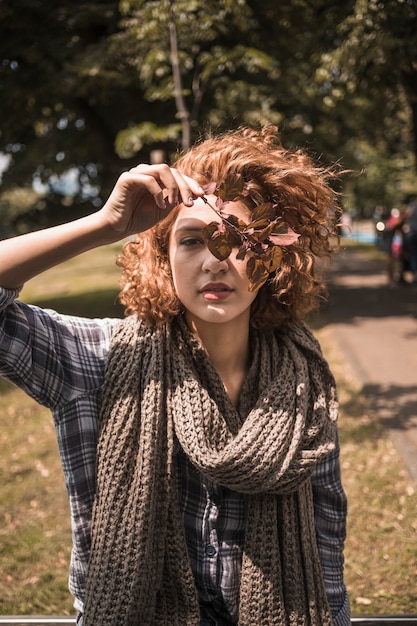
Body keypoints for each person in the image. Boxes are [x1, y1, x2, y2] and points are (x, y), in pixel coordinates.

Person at [0, 126, 350, 626]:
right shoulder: (97, 361)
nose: (216, 261)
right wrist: (104, 225)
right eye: (191, 240)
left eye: (239, 240)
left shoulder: (303, 379)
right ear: (162, 260)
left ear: (271, 260)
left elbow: (326, 548)